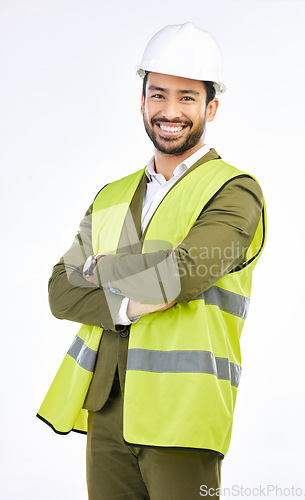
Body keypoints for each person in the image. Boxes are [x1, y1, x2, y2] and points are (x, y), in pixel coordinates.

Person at [38, 22, 266, 500]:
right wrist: (128, 305)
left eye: (186, 97)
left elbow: (182, 275)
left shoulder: (235, 190)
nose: (169, 111)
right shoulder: (113, 194)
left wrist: (99, 270)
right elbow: (61, 290)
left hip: (184, 412)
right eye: (158, 94)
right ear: (142, 100)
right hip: (106, 405)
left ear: (211, 107)